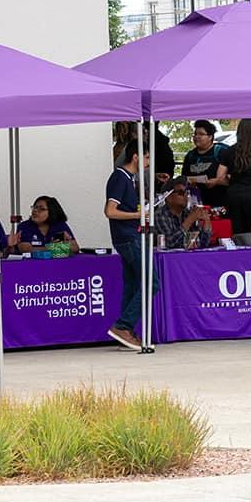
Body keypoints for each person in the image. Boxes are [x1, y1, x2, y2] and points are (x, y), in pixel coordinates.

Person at [104, 139, 145, 349]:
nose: (148, 163)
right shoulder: (120, 177)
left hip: (129, 235)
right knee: (150, 281)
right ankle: (124, 324)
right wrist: (137, 214)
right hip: (127, 236)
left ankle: (125, 330)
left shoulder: (130, 178)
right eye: (146, 158)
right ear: (136, 157)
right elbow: (110, 211)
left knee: (132, 282)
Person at [181, 119, 229, 208]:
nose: (197, 137)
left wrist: (217, 181)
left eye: (201, 134)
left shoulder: (221, 152)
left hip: (219, 202)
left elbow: (231, 179)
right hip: (196, 203)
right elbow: (184, 177)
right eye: (195, 134)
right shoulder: (190, 155)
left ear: (210, 137)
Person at [154, 177, 212, 249]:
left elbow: (203, 244)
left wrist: (207, 221)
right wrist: (189, 220)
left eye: (186, 192)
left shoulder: (187, 213)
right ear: (168, 197)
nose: (185, 196)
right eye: (181, 193)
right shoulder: (160, 215)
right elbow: (169, 243)